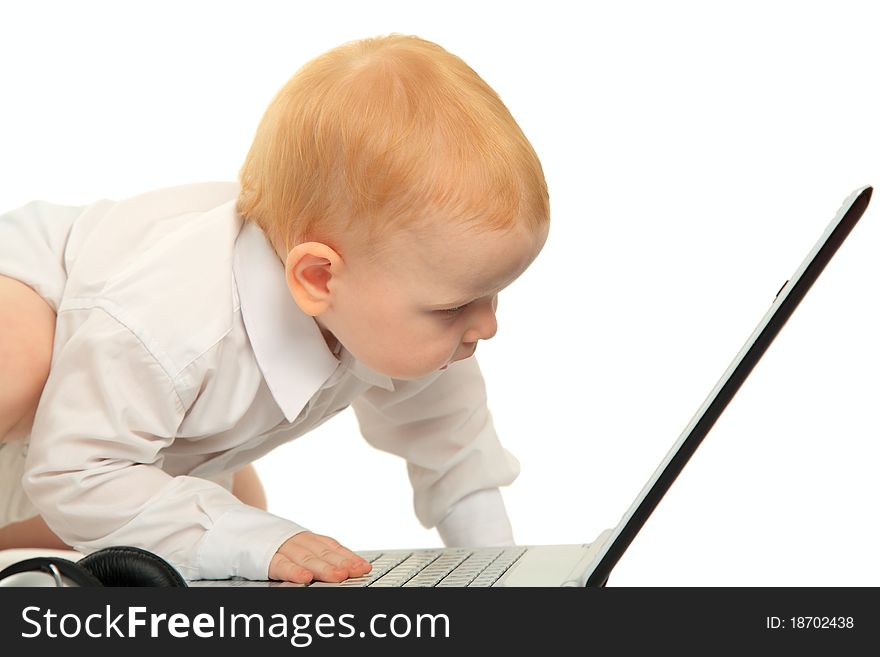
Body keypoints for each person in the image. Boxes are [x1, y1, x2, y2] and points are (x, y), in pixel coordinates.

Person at [0, 33, 550, 583]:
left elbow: (453, 451)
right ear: (318, 276)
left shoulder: (396, 310)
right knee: (18, 356)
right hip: (50, 330)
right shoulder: (174, 325)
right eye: (455, 306)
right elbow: (74, 465)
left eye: (490, 293)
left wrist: (506, 579)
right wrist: (246, 538)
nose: (487, 325)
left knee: (234, 518)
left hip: (94, 440)